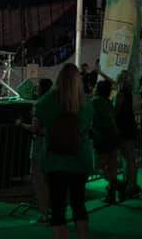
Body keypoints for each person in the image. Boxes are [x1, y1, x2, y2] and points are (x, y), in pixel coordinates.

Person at [34, 64, 93, 239]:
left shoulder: (48, 101)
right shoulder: (85, 103)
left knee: (58, 209)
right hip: (79, 160)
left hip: (55, 161)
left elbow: (37, 127)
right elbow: (87, 128)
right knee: (79, 206)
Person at [91, 79, 122, 204]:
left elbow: (91, 118)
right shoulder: (108, 102)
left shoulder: (94, 102)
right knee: (112, 165)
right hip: (113, 136)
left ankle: (116, 185)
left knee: (98, 166)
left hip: (101, 137)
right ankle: (112, 193)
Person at [115, 70, 141, 199]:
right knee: (129, 157)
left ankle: (130, 184)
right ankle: (131, 183)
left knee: (127, 158)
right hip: (130, 127)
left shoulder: (121, 95)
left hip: (123, 128)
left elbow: (117, 111)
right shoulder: (130, 94)